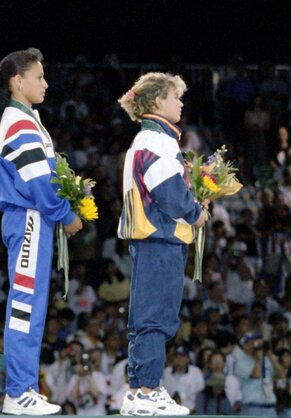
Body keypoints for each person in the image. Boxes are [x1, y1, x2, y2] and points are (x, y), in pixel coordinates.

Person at [0, 47, 81, 414]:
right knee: (24, 306)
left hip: (32, 219)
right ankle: (19, 391)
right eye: (39, 77)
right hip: (30, 218)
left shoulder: (26, 117)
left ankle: (25, 389)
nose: (46, 84)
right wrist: (66, 213)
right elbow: (38, 179)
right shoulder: (19, 122)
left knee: (30, 306)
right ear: (19, 81)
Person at [116, 72, 208, 416]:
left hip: (151, 240)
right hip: (160, 240)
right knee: (156, 317)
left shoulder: (147, 139)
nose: (181, 103)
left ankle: (140, 390)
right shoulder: (157, 141)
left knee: (145, 317)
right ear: (157, 102)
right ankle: (148, 389)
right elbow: (170, 195)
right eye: (175, 97)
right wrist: (195, 211)